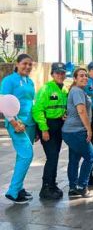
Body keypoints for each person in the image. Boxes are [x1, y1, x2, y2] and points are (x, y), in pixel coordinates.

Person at [1, 54, 35, 204]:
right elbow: (3, 102)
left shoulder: (30, 81)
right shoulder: (9, 80)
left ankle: (19, 187)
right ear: (17, 64)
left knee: (21, 156)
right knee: (27, 154)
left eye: (30, 64)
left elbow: (30, 102)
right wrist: (13, 122)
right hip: (17, 124)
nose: (27, 67)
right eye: (24, 64)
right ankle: (13, 191)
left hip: (29, 123)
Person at [33, 62, 68, 200]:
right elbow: (37, 110)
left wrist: (64, 113)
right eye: (57, 73)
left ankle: (52, 184)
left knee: (55, 156)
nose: (60, 75)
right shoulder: (46, 89)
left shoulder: (64, 89)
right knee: (52, 157)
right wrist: (44, 129)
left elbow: (63, 106)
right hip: (48, 126)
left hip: (59, 125)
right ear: (52, 74)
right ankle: (46, 188)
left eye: (62, 73)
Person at [62, 68, 93, 198]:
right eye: (81, 76)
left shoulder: (78, 91)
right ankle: (82, 186)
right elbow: (81, 111)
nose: (85, 78)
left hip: (70, 131)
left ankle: (73, 188)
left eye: (86, 76)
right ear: (75, 79)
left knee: (74, 159)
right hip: (76, 131)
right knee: (91, 156)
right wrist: (89, 129)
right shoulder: (77, 91)